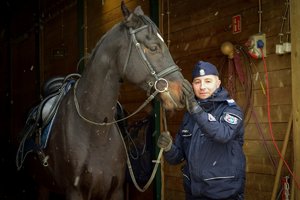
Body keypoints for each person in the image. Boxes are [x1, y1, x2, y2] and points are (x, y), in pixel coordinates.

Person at [157, 61, 246, 200]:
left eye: (208, 81)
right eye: (197, 82)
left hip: (224, 194)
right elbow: (179, 157)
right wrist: (169, 148)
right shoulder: (190, 115)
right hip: (194, 193)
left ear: (218, 83)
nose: (202, 86)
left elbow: (223, 135)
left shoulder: (230, 109)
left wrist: (194, 108)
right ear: (192, 85)